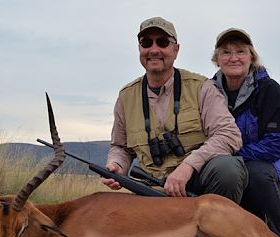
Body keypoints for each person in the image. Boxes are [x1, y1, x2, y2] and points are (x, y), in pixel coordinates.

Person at [102, 17, 247, 203]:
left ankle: (220, 227)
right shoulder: (126, 97)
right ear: (139, 49)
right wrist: (116, 165)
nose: (154, 50)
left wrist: (188, 167)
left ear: (176, 50)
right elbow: (120, 146)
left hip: (197, 181)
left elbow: (228, 134)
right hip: (151, 186)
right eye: (146, 43)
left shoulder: (201, 87)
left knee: (228, 169)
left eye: (162, 42)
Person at [211, 28, 280, 235]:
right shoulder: (208, 91)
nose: (234, 58)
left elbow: (275, 144)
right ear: (217, 59)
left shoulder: (270, 90)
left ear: (251, 56)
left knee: (255, 174)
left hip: (267, 166)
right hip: (226, 162)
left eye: (240, 51)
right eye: (226, 52)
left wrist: (235, 156)